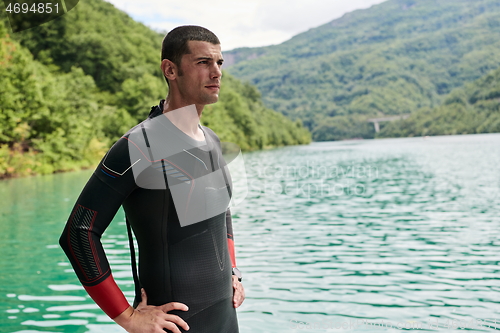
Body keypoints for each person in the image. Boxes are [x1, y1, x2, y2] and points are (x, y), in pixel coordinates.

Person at [59, 25, 245, 333]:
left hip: (225, 316)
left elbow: (220, 211)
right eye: (203, 62)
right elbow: (79, 232)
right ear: (170, 70)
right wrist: (127, 317)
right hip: (173, 324)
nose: (216, 72)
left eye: (219, 63)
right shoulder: (138, 145)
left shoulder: (210, 140)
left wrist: (233, 272)